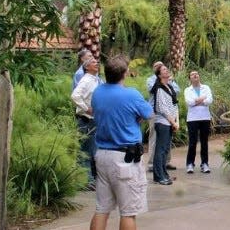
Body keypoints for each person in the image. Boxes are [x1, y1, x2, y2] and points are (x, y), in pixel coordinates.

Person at [90, 55, 153, 230]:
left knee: (102, 208)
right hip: (124, 159)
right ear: (124, 73)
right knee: (128, 212)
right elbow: (148, 114)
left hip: (102, 155)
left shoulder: (98, 92)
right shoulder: (131, 94)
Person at [71, 56, 102, 190]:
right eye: (93, 62)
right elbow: (75, 95)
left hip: (93, 120)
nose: (97, 63)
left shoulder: (95, 80)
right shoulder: (86, 80)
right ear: (86, 67)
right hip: (86, 120)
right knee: (85, 151)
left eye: (97, 62)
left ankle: (90, 179)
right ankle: (85, 181)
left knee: (92, 150)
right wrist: (86, 108)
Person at [146, 62, 179, 172]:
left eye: (162, 66)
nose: (161, 68)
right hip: (155, 113)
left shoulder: (169, 80)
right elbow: (153, 89)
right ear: (155, 70)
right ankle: (151, 164)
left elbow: (177, 91)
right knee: (154, 138)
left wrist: (169, 81)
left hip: (169, 114)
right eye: (158, 67)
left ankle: (166, 162)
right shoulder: (151, 80)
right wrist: (163, 81)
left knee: (166, 140)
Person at [184, 70, 213, 174]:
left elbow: (209, 100)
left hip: (205, 117)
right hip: (192, 119)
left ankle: (204, 163)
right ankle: (190, 164)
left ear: (199, 76)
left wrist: (197, 101)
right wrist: (202, 99)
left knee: (204, 142)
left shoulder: (206, 88)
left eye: (196, 74)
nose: (195, 75)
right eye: (192, 74)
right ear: (190, 78)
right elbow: (189, 102)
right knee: (192, 142)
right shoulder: (187, 90)